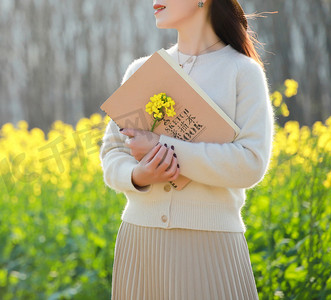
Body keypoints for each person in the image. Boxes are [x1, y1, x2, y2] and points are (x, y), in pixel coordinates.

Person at [99, 0, 274, 299]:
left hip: (210, 245)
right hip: (140, 241)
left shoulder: (243, 72)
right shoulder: (141, 70)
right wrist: (139, 175)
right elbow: (112, 154)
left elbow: (251, 163)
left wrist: (162, 148)